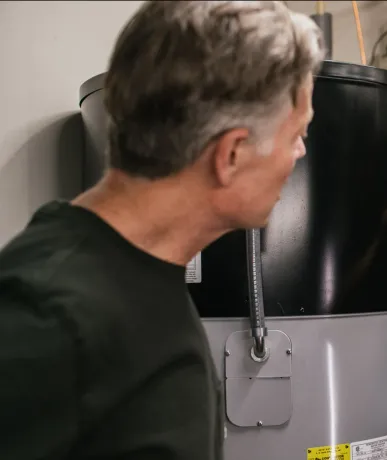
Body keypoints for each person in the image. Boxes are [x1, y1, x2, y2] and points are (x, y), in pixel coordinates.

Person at [0, 2, 324, 459]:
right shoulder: (48, 315)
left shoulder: (148, 272)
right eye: (296, 135)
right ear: (230, 155)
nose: (300, 153)